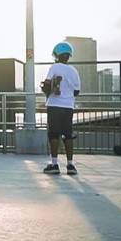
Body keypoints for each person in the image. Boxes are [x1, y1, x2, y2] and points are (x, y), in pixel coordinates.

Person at [41, 42, 81, 175]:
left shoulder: (54, 67)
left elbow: (47, 86)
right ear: (69, 56)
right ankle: (70, 165)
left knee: (53, 134)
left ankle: (54, 164)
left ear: (57, 55)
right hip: (68, 106)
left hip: (54, 105)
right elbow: (76, 92)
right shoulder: (74, 71)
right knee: (68, 135)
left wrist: (49, 87)